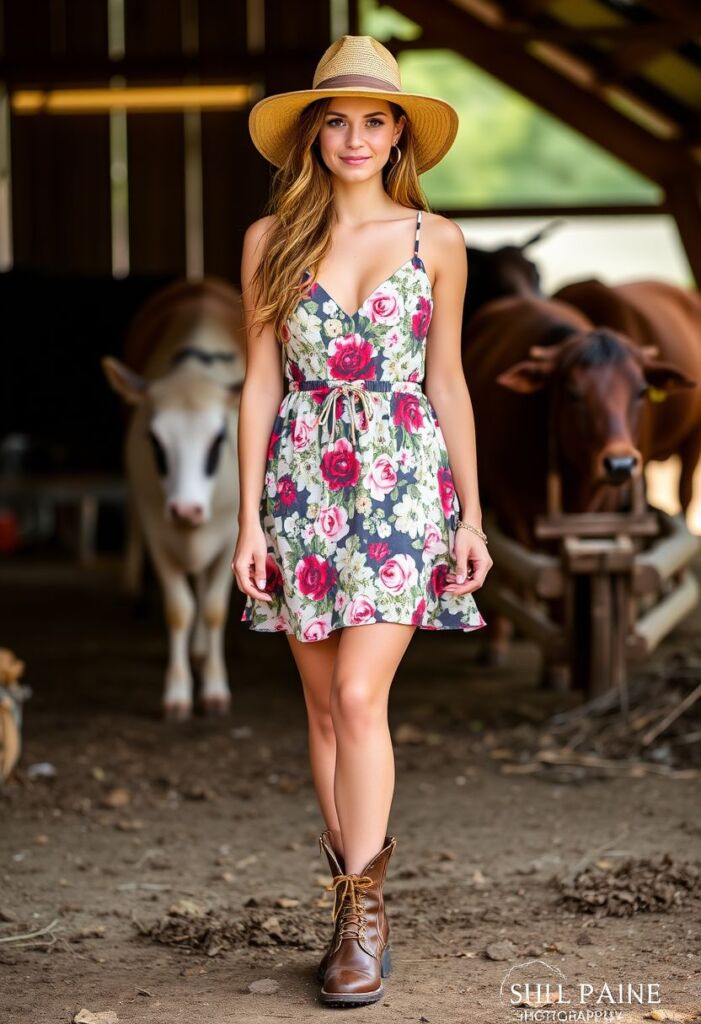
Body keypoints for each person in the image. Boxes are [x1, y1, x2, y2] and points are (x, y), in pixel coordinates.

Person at [232, 34, 493, 1008]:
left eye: (371, 120)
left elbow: (448, 383)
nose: (353, 135)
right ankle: (345, 899)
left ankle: (362, 914)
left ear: (396, 136)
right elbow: (260, 384)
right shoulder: (269, 243)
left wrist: (471, 515)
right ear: (312, 135)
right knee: (315, 709)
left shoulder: (437, 242)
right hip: (300, 487)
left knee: (353, 696)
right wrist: (248, 520)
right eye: (334, 119)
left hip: (398, 486)